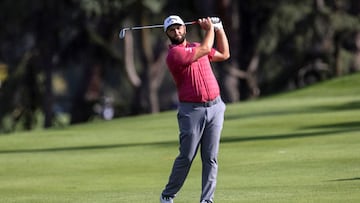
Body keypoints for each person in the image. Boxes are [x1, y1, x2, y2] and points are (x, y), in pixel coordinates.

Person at [160, 15, 230, 203]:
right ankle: (168, 195)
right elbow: (206, 48)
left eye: (179, 28)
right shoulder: (174, 54)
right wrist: (210, 29)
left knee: (210, 158)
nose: (176, 32)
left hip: (215, 107)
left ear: (185, 28)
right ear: (167, 33)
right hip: (192, 111)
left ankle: (206, 200)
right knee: (187, 156)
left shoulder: (196, 46)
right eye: (172, 30)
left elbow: (224, 54)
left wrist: (219, 27)